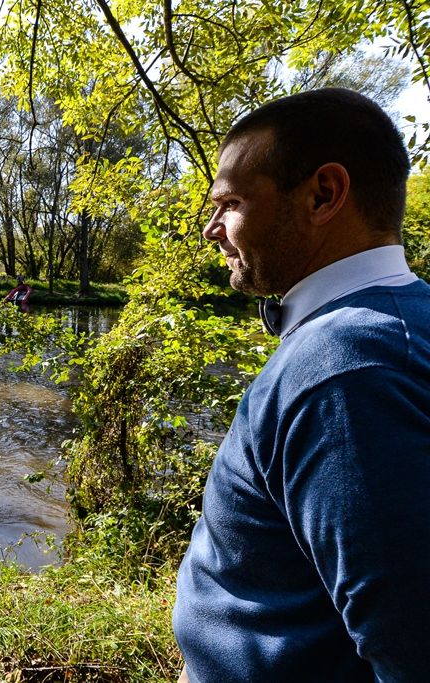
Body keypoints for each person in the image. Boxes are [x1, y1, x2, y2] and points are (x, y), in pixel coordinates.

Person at [172, 87, 430, 682]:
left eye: (231, 202)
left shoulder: (346, 370)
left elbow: (412, 650)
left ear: (323, 194)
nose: (212, 229)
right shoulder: (397, 321)